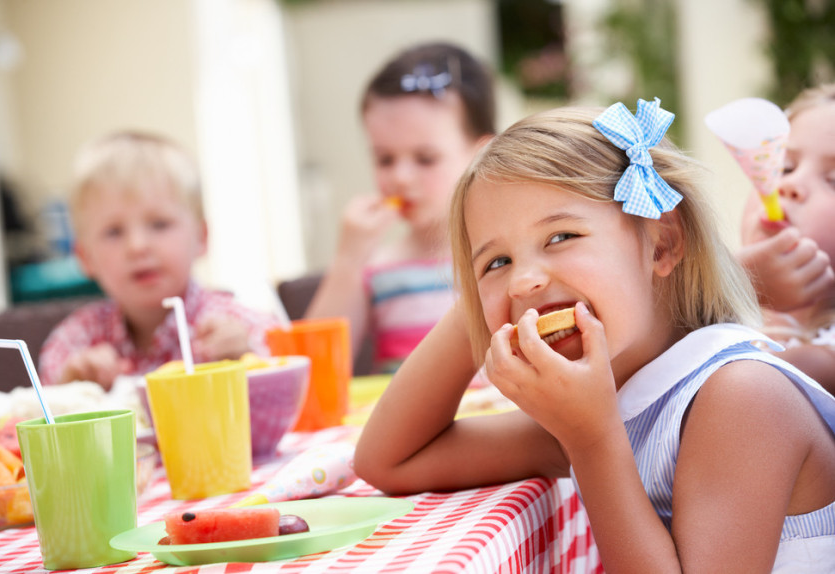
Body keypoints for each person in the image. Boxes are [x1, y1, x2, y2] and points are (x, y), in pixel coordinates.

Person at [355, 100, 835, 572]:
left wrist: (591, 440)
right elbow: (389, 460)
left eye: (561, 237)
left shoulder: (742, 396)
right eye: (496, 263)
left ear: (662, 243)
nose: (525, 281)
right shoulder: (605, 410)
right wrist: (491, 301)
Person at [304, 42, 496, 374]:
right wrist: (348, 261)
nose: (401, 178)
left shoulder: (504, 259)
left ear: (482, 152)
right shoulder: (376, 268)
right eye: (384, 159)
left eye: (425, 159)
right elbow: (317, 371)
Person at [39, 131, 283, 389]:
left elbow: (295, 396)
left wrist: (250, 364)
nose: (137, 246)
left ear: (201, 237)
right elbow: (32, 415)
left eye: (159, 224)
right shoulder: (73, 343)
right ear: (85, 257)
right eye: (114, 232)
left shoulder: (246, 328)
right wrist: (70, 393)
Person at [738, 83, 835, 393]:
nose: (790, 183)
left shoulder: (824, 359)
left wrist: (737, 279)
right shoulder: (738, 322)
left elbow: (736, 384)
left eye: (832, 180)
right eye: (783, 166)